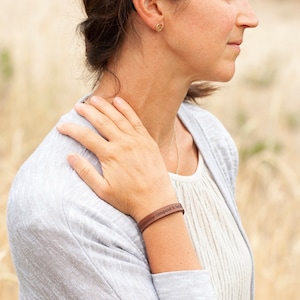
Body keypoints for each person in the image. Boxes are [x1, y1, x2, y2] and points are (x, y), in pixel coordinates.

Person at [7, 0, 259, 299]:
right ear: (152, 6)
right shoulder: (59, 204)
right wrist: (159, 212)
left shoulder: (208, 138)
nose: (250, 18)